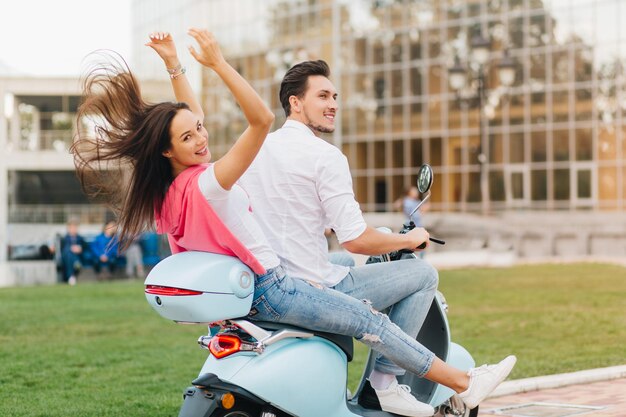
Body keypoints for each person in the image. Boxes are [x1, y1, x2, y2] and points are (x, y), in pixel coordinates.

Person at [73, 32, 514, 417]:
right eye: (189, 138)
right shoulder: (210, 181)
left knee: (343, 268)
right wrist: (218, 63)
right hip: (273, 286)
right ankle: (455, 382)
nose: (202, 138)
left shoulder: (170, 192)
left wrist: (175, 65)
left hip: (250, 291)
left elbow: (191, 116)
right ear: (169, 151)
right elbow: (261, 120)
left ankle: (392, 387)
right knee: (372, 320)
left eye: (200, 130)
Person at [239, 59, 516, 416]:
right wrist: (406, 240)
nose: (333, 104)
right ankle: (385, 383)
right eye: (322, 95)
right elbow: (356, 240)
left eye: (335, 95)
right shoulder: (325, 156)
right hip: (309, 286)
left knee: (341, 261)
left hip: (272, 279)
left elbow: (291, 214)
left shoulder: (258, 149)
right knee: (423, 275)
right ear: (295, 102)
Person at [59, 218, 86, 286]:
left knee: (70, 254)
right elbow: (62, 250)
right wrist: (71, 249)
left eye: (75, 227)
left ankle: (71, 276)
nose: (74, 229)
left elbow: (86, 247)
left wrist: (80, 248)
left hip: (78, 256)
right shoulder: (64, 239)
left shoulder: (81, 239)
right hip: (66, 258)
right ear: (68, 228)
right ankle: (75, 265)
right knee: (68, 252)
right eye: (72, 227)